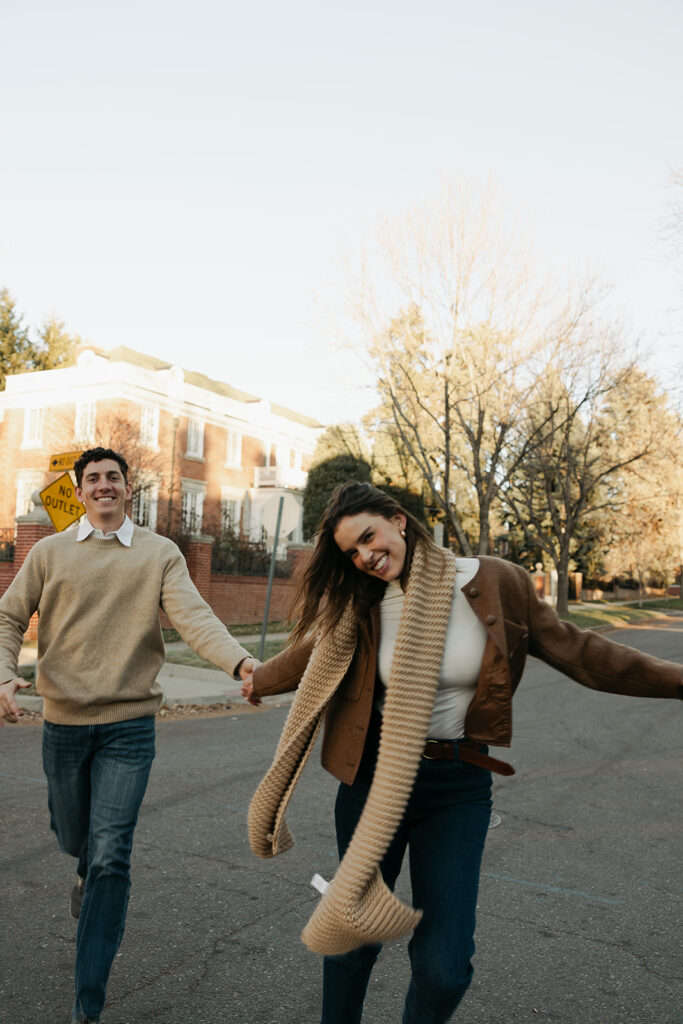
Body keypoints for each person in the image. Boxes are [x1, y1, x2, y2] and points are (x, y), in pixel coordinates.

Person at [242, 481, 682, 1024]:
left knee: (445, 967)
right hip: (372, 778)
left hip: (458, 786)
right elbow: (312, 652)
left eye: (369, 537)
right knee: (353, 938)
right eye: (352, 553)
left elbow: (581, 650)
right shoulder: (363, 599)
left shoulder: (497, 583)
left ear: (399, 520)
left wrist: (678, 680)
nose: (364, 557)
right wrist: (259, 679)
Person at [0, 446, 256, 1024]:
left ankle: (87, 1003)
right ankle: (82, 871)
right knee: (76, 838)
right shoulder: (48, 551)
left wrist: (242, 666)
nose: (104, 485)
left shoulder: (159, 554)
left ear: (127, 488)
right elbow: (8, 616)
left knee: (112, 853)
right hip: (64, 723)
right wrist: (4, 674)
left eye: (113, 476)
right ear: (81, 490)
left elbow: (194, 616)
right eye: (93, 479)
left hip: (129, 727)